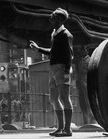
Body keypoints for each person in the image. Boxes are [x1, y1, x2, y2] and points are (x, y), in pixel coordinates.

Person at [29, 8, 74, 137]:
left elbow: (69, 56)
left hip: (61, 68)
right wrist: (38, 49)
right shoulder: (55, 33)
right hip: (53, 68)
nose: (50, 19)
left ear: (59, 19)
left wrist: (66, 72)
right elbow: (53, 52)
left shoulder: (66, 35)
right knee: (54, 98)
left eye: (52, 17)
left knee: (65, 98)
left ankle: (67, 130)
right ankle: (60, 128)